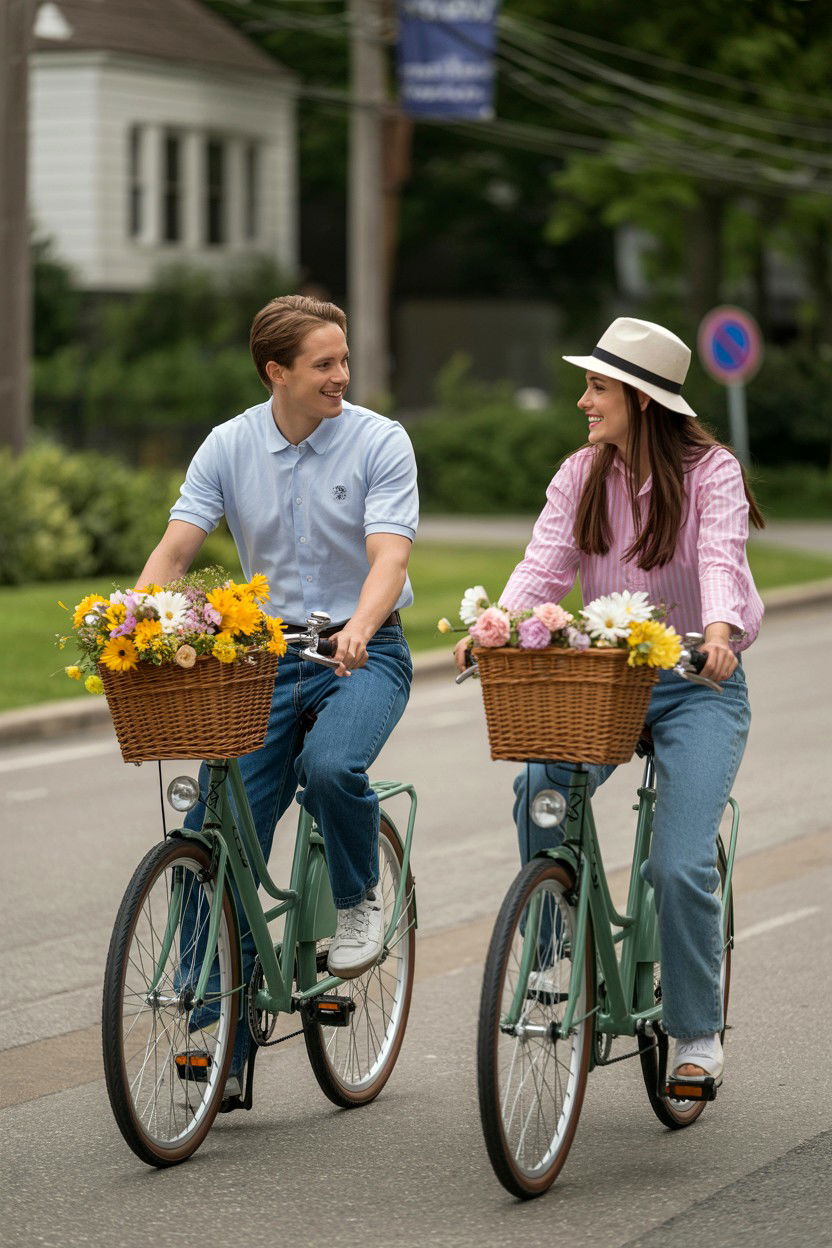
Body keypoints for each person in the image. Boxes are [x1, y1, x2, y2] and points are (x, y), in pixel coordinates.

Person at [456, 317, 763, 1085]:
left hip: (700, 683)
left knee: (677, 865)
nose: (584, 401)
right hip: (609, 682)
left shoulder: (710, 472)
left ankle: (696, 1035)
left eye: (597, 387)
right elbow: (543, 566)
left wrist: (718, 633)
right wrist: (495, 627)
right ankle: (559, 937)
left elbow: (721, 557)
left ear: (642, 399)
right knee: (538, 788)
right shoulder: (581, 473)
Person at [137, 294, 418, 1093]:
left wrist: (361, 628)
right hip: (265, 659)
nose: (343, 376)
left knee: (332, 766)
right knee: (211, 838)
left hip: (362, 654)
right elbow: (176, 549)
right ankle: (220, 1037)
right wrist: (134, 629)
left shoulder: (377, 441)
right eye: (325, 364)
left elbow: (389, 558)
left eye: (344, 361)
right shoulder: (229, 445)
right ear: (278, 373)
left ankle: (361, 900)